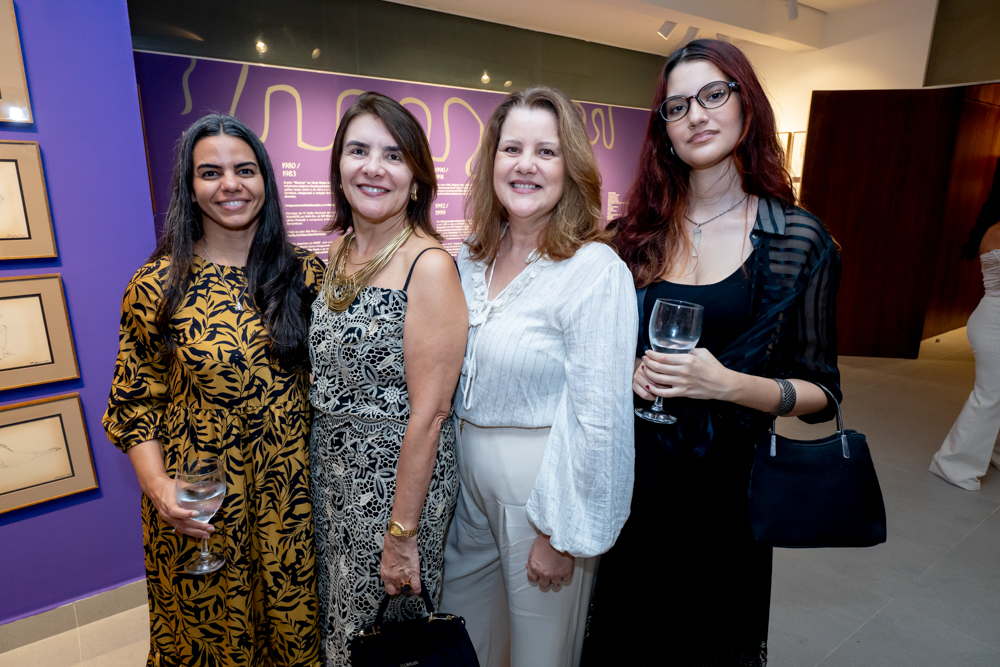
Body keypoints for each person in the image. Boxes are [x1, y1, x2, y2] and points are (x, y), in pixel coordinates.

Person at [581, 39, 842, 666]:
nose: (695, 115)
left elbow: (821, 395)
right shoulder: (633, 235)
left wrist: (726, 384)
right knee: (622, 640)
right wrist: (627, 372)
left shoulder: (796, 238)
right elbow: (594, 353)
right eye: (676, 107)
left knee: (711, 644)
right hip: (634, 483)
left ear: (745, 106)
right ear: (664, 131)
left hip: (728, 497)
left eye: (712, 95)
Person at [103, 114, 323, 667]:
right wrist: (157, 488)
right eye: (211, 172)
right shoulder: (156, 285)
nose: (230, 184)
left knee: (292, 638)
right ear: (189, 186)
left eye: (244, 169)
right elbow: (134, 402)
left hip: (289, 506)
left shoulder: (306, 276)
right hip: (202, 505)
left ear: (266, 181)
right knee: (210, 643)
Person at [441, 86, 637, 667]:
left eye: (546, 152)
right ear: (491, 163)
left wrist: (562, 535)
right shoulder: (467, 258)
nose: (525, 165)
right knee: (466, 641)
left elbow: (601, 417)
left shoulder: (593, 269)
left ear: (570, 168)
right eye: (511, 149)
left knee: (538, 654)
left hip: (542, 490)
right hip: (464, 480)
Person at [308, 91, 468, 666]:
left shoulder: (430, 266)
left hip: (394, 487)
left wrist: (402, 535)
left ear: (417, 178)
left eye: (393, 155)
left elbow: (430, 414)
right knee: (340, 626)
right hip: (334, 478)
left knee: (384, 642)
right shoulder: (340, 248)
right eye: (359, 151)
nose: (374, 168)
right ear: (339, 167)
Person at [930, 160, 1000, 491]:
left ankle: (993, 451)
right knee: (991, 394)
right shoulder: (997, 231)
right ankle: (952, 464)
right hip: (994, 327)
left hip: (992, 321)